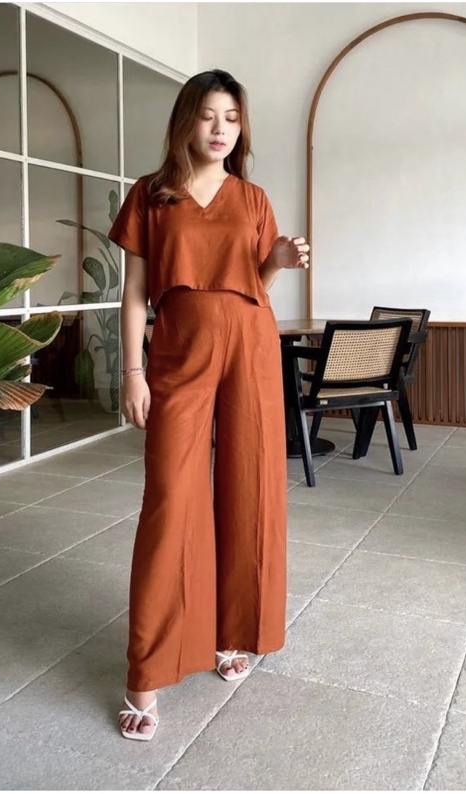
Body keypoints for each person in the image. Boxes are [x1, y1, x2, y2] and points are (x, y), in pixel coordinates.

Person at [107, 69, 309, 741]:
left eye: (232, 117)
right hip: (179, 352)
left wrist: (278, 259)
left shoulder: (253, 198)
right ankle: (147, 671)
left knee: (250, 489)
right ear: (186, 121)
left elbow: (256, 282)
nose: (221, 128)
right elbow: (134, 295)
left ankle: (231, 632)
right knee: (171, 498)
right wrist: (132, 372)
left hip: (251, 344)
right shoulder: (150, 194)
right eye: (208, 115)